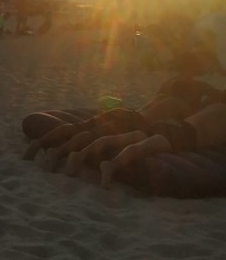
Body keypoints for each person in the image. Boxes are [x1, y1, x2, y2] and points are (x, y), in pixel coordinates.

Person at [23, 65, 222, 165]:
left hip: (128, 112)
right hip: (134, 121)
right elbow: (186, 122)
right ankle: (60, 153)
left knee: (81, 127)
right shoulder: (180, 105)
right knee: (96, 136)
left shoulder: (161, 97)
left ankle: (40, 143)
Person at [61, 95, 226, 187]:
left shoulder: (213, 107)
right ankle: (111, 165)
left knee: (121, 139)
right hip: (185, 135)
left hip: (170, 124)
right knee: (143, 148)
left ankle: (78, 155)